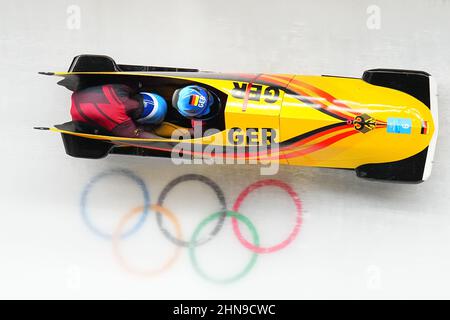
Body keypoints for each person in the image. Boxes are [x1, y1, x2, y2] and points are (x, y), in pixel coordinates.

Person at [70, 84, 168, 139]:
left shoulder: (122, 89)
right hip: (77, 120)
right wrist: (168, 142)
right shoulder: (123, 122)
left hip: (78, 93)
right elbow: (139, 135)